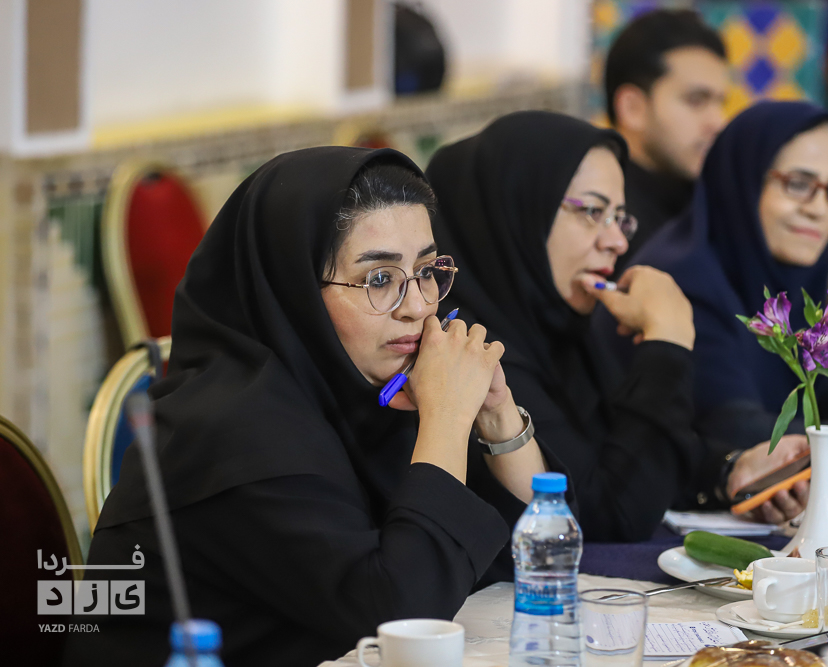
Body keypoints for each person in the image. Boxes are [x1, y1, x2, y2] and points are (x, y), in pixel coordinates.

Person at [63, 148, 554, 666]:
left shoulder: (368, 388)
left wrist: (497, 414)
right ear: (294, 288)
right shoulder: (233, 433)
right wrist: (448, 418)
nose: (418, 306)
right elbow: (402, 617)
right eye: (379, 278)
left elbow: (536, 558)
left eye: (427, 270)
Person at [426, 110, 814, 539]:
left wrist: (730, 470)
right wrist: (666, 344)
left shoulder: (561, 329)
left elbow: (630, 455)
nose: (617, 241)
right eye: (592, 211)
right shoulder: (467, 349)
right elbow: (616, 512)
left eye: (621, 217)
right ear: (515, 210)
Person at [597, 101, 828, 451]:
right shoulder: (684, 281)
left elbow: (820, 390)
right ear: (741, 181)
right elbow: (735, 433)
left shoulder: (782, 272)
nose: (819, 209)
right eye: (798, 184)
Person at [604, 8, 729, 267]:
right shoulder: (602, 225)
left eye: (720, 103)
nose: (718, 122)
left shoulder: (708, 204)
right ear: (632, 108)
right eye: (696, 100)